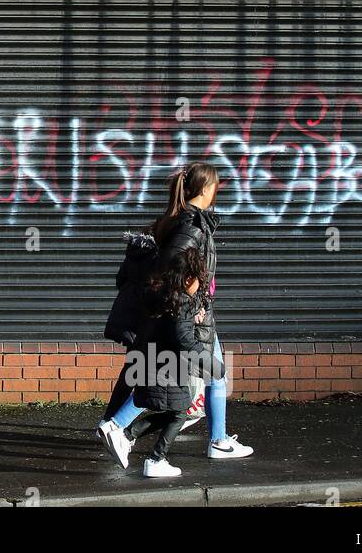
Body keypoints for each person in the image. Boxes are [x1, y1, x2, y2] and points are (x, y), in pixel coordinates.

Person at [97, 161, 254, 468]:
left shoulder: (188, 221)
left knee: (184, 377)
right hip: (189, 315)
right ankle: (121, 428)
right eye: (216, 187)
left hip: (191, 312)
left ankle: (213, 438)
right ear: (207, 189)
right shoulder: (192, 226)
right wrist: (187, 303)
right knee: (185, 378)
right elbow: (169, 268)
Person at [123, 246, 217, 477]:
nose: (199, 286)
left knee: (176, 411)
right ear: (188, 279)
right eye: (198, 279)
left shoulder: (164, 294)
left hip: (153, 360)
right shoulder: (182, 301)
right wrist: (212, 364)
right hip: (167, 365)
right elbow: (183, 339)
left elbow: (172, 326)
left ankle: (129, 435)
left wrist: (191, 319)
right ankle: (155, 458)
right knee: (180, 411)